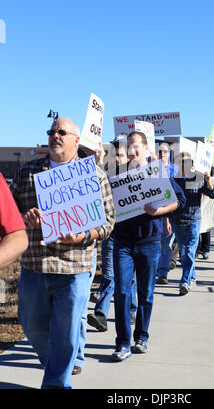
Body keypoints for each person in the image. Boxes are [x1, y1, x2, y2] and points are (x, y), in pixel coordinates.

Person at [10, 118, 115, 389]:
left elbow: (107, 222)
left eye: (61, 132)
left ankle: (57, 383)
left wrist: (85, 234)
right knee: (31, 325)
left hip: (74, 266)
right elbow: (10, 214)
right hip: (35, 263)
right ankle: (55, 362)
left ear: (76, 140)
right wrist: (24, 217)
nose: (55, 135)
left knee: (67, 333)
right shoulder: (28, 171)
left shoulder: (94, 175)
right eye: (51, 131)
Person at [111, 131, 185, 361]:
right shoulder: (118, 174)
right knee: (122, 292)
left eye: (136, 147)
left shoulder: (157, 174)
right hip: (122, 241)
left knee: (146, 293)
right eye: (129, 148)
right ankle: (122, 342)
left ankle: (141, 337)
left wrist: (160, 211)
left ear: (145, 149)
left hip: (150, 242)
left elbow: (178, 200)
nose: (132, 152)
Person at [88, 139, 137, 333]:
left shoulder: (137, 175)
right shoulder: (104, 175)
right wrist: (99, 161)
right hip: (111, 233)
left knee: (129, 278)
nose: (116, 158)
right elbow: (93, 186)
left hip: (132, 235)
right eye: (113, 155)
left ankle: (131, 310)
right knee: (109, 275)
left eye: (120, 155)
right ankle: (101, 314)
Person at [172, 152, 214, 295]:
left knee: (188, 251)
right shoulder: (173, 180)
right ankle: (192, 278)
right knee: (184, 252)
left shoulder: (199, 178)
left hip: (194, 220)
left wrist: (209, 180)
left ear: (192, 165)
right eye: (180, 162)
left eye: (186, 162)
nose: (183, 165)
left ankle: (185, 282)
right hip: (177, 221)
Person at [156, 142, 179, 284]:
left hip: (169, 213)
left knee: (166, 244)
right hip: (152, 213)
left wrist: (168, 218)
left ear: (169, 153)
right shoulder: (150, 168)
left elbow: (177, 196)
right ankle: (152, 272)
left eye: (164, 151)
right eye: (159, 151)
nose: (162, 154)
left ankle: (162, 273)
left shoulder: (175, 171)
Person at [0, 173, 28, 270]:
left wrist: (78, 238)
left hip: (70, 264)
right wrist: (23, 217)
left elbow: (16, 237)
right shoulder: (24, 172)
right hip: (32, 265)